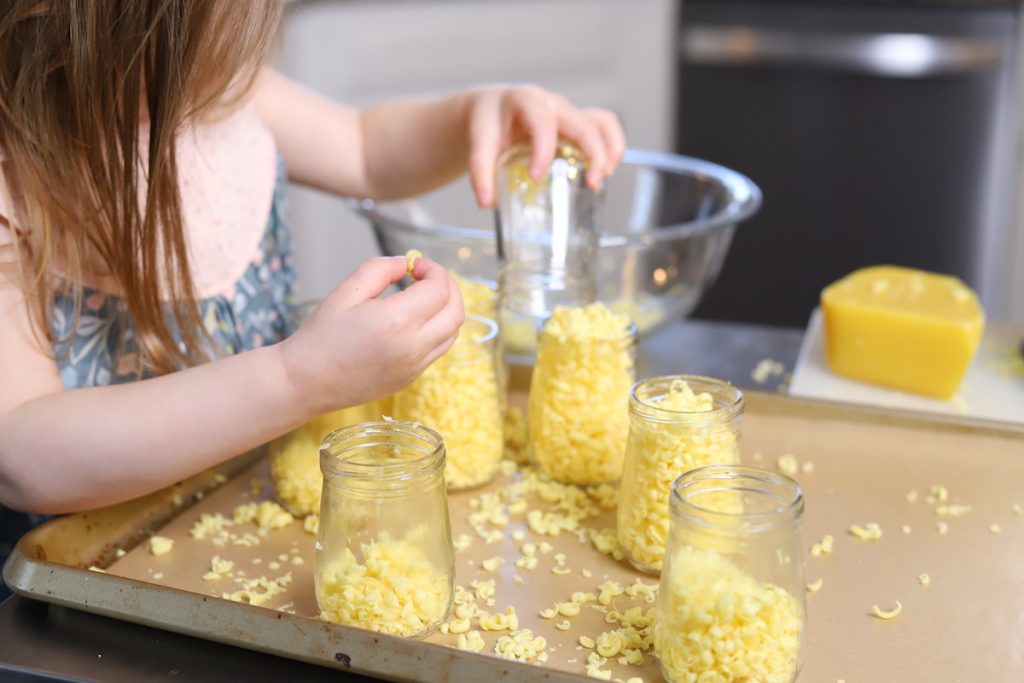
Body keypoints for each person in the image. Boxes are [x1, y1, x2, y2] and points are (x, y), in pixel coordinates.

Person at [0, 1, 625, 582]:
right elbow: (22, 451)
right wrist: (300, 379)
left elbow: (366, 147)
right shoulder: (15, 174)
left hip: (246, 528)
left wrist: (474, 115)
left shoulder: (224, 93)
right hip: (90, 574)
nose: (233, 56)